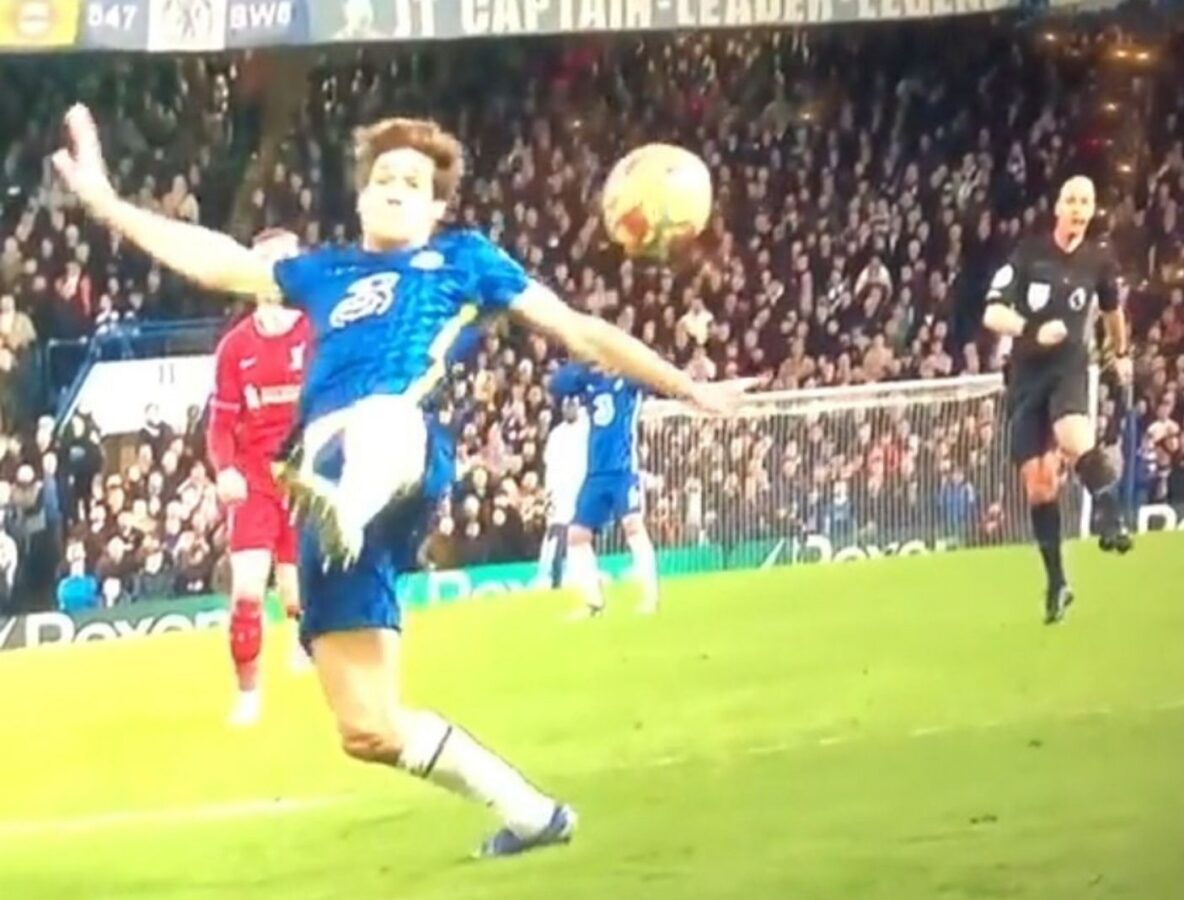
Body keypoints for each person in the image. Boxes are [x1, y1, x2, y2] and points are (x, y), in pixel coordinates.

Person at [52, 105, 745, 859]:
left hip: (401, 455)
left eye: (412, 182)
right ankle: (532, 815)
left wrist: (688, 387)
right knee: (368, 729)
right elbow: (212, 258)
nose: (393, 188)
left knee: (379, 420)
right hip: (323, 491)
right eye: (383, 177)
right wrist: (107, 202)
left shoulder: (463, 262)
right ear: (360, 198)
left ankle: (348, 498)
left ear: (437, 207)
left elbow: (580, 331)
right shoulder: (323, 274)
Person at [983, 175, 1134, 625]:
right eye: (1071, 200)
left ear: (1091, 210)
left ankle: (1111, 518)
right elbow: (992, 312)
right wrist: (1032, 330)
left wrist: (1120, 354)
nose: (1078, 209)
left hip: (1069, 368)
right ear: (1057, 207)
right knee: (1040, 484)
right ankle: (1057, 582)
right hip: (1027, 375)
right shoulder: (1028, 254)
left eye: (1086, 201)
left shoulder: (1100, 261)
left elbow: (1112, 313)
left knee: (1074, 435)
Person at [207, 228, 312, 727]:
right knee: (246, 591)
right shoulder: (235, 348)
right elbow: (220, 423)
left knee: (297, 596)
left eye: (286, 261)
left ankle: (304, 637)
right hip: (253, 479)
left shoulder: (315, 333)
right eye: (268, 262)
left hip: (306, 476)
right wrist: (225, 468)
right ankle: (248, 693)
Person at [549, 362, 659, 616]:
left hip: (622, 470)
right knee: (576, 535)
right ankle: (593, 603)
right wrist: (583, 365)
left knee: (633, 525)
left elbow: (652, 375)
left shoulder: (630, 380)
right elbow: (556, 384)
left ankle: (650, 598)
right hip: (595, 473)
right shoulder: (590, 380)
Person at [536, 396, 588, 589]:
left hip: (579, 491)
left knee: (578, 536)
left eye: (573, 405)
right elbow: (549, 465)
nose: (569, 409)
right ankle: (551, 578)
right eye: (566, 406)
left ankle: (577, 576)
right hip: (558, 493)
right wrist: (549, 495)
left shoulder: (585, 428)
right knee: (555, 534)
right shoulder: (556, 434)